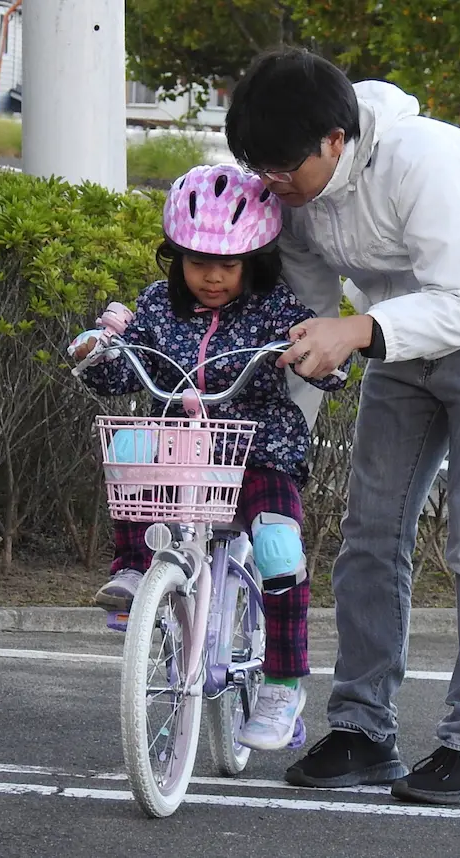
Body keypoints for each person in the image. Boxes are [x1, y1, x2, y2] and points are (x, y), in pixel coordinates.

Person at [224, 48, 460, 804]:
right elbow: (310, 321)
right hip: (401, 335)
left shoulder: (423, 160)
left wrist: (354, 332)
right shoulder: (289, 194)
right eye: (258, 168)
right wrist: (283, 441)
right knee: (370, 535)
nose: (272, 185)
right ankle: (361, 731)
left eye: (283, 167)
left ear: (334, 140)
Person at [68, 163, 348, 751]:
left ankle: (282, 683)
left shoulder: (275, 309)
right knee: (130, 445)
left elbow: (316, 352)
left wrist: (315, 358)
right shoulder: (155, 307)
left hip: (258, 446)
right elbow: (122, 368)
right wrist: (99, 352)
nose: (212, 277)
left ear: (255, 261)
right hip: (181, 445)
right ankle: (131, 569)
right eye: (197, 263)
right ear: (175, 258)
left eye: (227, 264)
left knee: (277, 544)